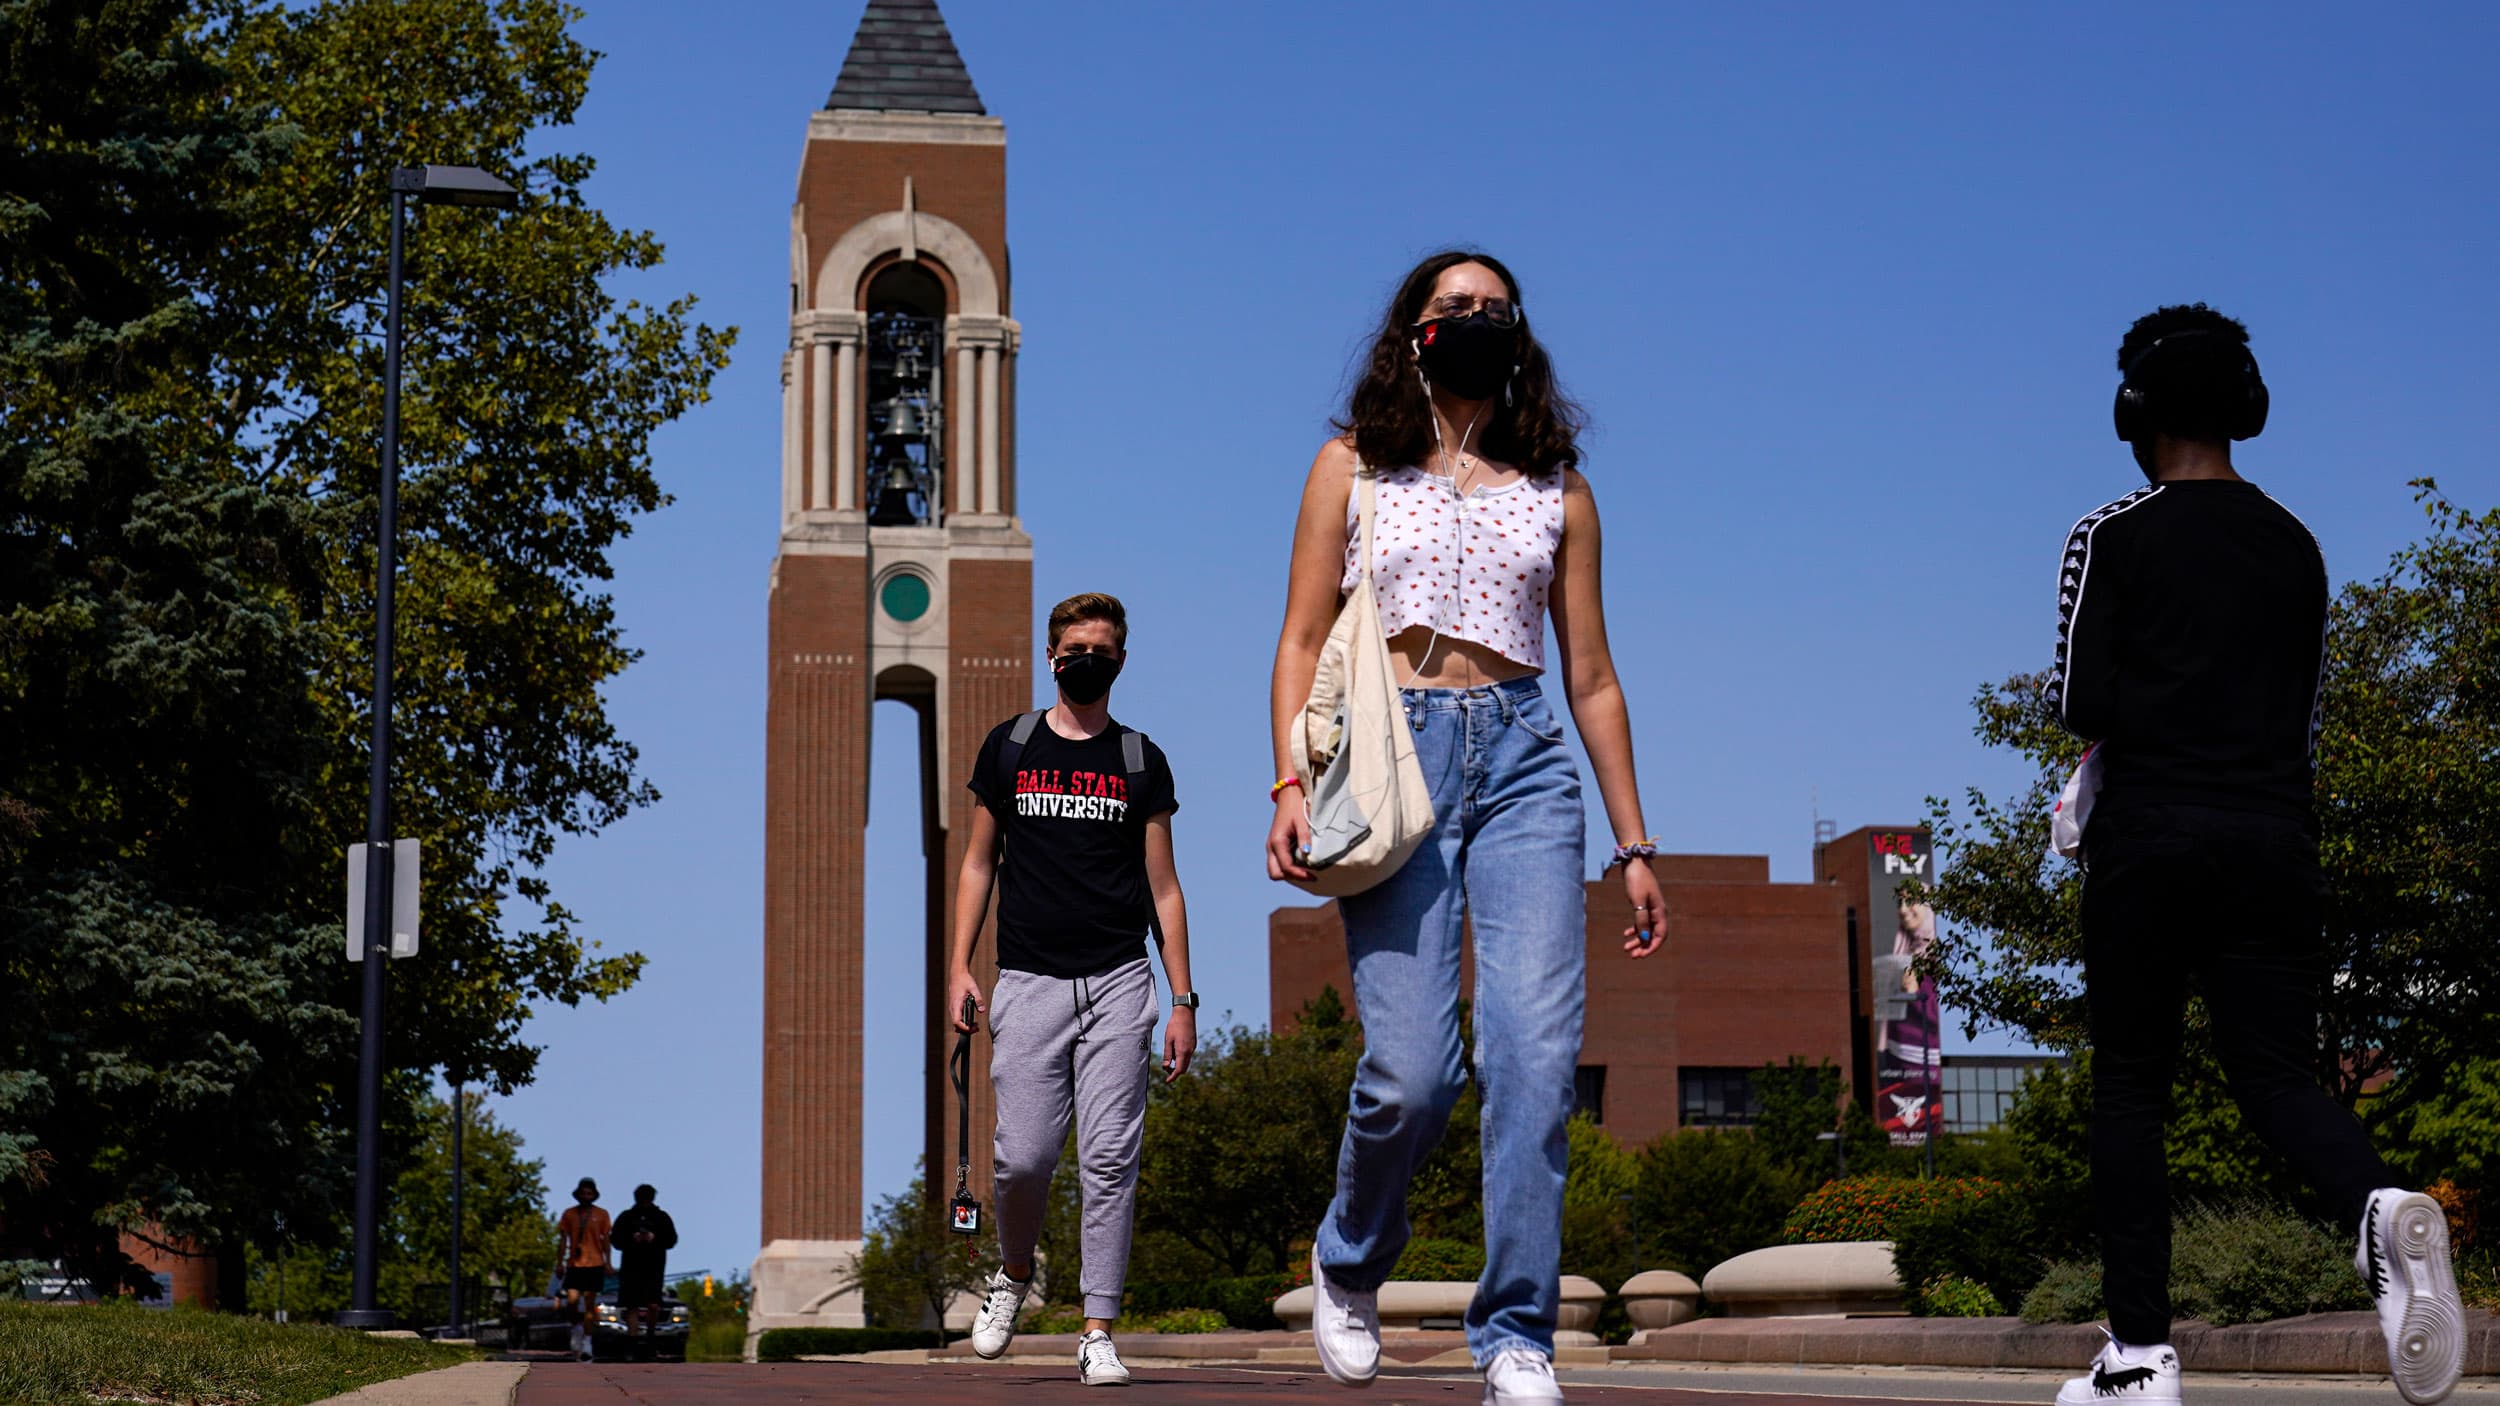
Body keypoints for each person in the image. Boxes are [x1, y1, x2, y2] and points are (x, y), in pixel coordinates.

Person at [1264, 251, 1664, 1406]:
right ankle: (1350, 1257)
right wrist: (1287, 784)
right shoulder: (1352, 468)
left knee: (1535, 1060)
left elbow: (1591, 675)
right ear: (1412, 331)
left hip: (1528, 762)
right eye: (1454, 308)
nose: (1476, 322)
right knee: (1411, 1072)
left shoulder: (1559, 488)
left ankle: (1517, 1335)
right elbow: (1299, 640)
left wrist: (1635, 844)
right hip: (1392, 763)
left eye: (1495, 310)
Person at [2047, 304, 2463, 1406]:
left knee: (2132, 1087)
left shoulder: (2112, 533)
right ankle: (2376, 1201)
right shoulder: (2297, 543)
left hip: (2150, 836)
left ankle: (2136, 1357)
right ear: (2246, 409)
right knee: (2273, 1073)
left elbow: (2079, 700)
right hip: (2275, 837)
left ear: (2131, 409)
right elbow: (2300, 714)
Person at [948, 591, 1199, 1389]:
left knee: (1109, 1160)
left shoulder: (1138, 759)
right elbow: (979, 862)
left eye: (1102, 648)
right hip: (1028, 981)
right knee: (1022, 1160)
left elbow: (1165, 889)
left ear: (1120, 661)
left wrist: (1183, 998)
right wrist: (959, 966)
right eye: (1074, 648)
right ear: (1052, 657)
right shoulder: (1012, 746)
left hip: (1121, 982)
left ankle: (1098, 1328)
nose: (1087, 659)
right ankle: (1015, 1271)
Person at [611, 1184, 677, 1361]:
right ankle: (631, 1343)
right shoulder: (627, 1217)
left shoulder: (661, 1218)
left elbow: (671, 1239)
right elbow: (615, 1240)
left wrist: (654, 1238)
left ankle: (650, 1339)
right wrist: (632, 1238)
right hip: (632, 1266)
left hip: (653, 1266)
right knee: (631, 1305)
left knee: (653, 1304)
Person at [553, 1177, 611, 1361]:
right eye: (583, 1193)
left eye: (589, 1193)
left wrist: (607, 1262)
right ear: (578, 1194)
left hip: (594, 1263)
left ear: (594, 1195)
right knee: (571, 1300)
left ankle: (587, 1340)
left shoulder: (601, 1214)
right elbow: (563, 1240)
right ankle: (576, 1327)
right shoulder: (569, 1214)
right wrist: (559, 1262)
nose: (586, 1196)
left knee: (589, 1304)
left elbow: (606, 1240)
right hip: (574, 1263)